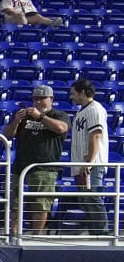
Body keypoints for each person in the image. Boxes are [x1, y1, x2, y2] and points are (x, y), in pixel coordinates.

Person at [7, 84, 70, 235]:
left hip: (44, 167)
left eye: (42, 99)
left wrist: (40, 116)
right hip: (21, 165)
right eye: (36, 99)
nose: (39, 102)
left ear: (51, 99)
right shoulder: (24, 116)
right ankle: (13, 234)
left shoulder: (59, 115)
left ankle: (36, 236)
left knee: (40, 204)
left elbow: (61, 128)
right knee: (15, 203)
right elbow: (8, 135)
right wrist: (16, 121)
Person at [70, 78, 111, 235]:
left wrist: (89, 162)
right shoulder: (82, 110)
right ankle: (96, 234)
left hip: (90, 165)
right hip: (81, 164)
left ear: (82, 93)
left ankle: (103, 235)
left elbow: (95, 136)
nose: (71, 97)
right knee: (86, 201)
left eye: (73, 94)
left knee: (92, 198)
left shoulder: (95, 108)